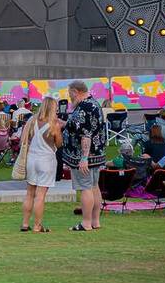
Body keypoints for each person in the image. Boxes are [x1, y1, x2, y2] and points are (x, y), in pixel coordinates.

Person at [64, 79, 107, 232]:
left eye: (70, 94)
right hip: (97, 154)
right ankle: (95, 221)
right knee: (94, 187)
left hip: (85, 156)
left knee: (85, 188)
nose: (69, 97)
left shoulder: (84, 107)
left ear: (76, 92)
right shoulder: (94, 103)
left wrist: (83, 158)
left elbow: (85, 135)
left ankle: (86, 223)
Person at [21, 97, 63, 233]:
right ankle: (37, 226)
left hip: (31, 159)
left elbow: (23, 139)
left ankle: (25, 224)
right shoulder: (54, 124)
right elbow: (59, 144)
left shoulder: (31, 120)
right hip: (46, 160)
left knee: (29, 193)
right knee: (40, 195)